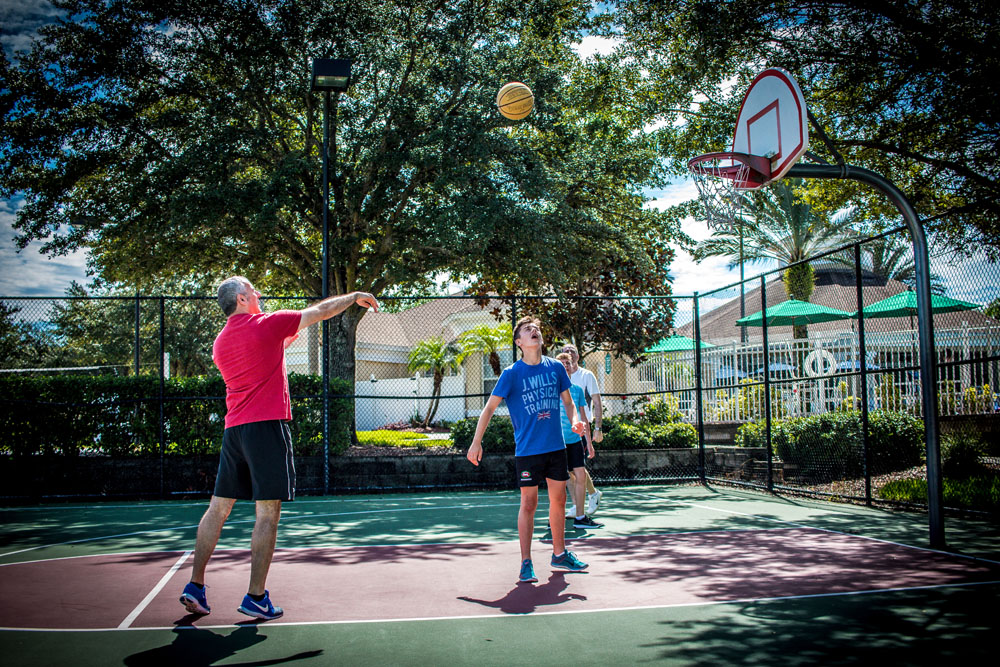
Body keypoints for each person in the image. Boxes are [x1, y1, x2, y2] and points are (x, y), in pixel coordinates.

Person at [179, 276, 378, 620]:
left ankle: (195, 585)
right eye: (253, 289)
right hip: (267, 428)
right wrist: (355, 296)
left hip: (234, 432)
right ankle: (256, 596)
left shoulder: (221, 342)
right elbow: (321, 310)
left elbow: (254, 360)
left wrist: (279, 346)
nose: (258, 292)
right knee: (267, 513)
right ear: (242, 299)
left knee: (217, 510)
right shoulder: (267, 323)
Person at [466, 317, 589, 583]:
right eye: (527, 330)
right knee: (529, 504)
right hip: (528, 451)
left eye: (537, 329)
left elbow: (568, 403)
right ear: (519, 342)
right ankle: (526, 562)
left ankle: (559, 554)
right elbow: (488, 409)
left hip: (556, 448)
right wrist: (476, 442)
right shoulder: (511, 373)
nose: (534, 331)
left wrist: (575, 422)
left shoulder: (556, 368)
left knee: (559, 501)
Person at [555, 353, 602, 529]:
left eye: (568, 363)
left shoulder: (576, 390)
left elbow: (583, 417)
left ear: (572, 366)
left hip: (575, 440)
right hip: (556, 442)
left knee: (581, 475)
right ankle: (555, 520)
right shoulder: (551, 389)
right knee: (560, 480)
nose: (565, 365)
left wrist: (588, 443)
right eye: (562, 363)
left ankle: (581, 518)